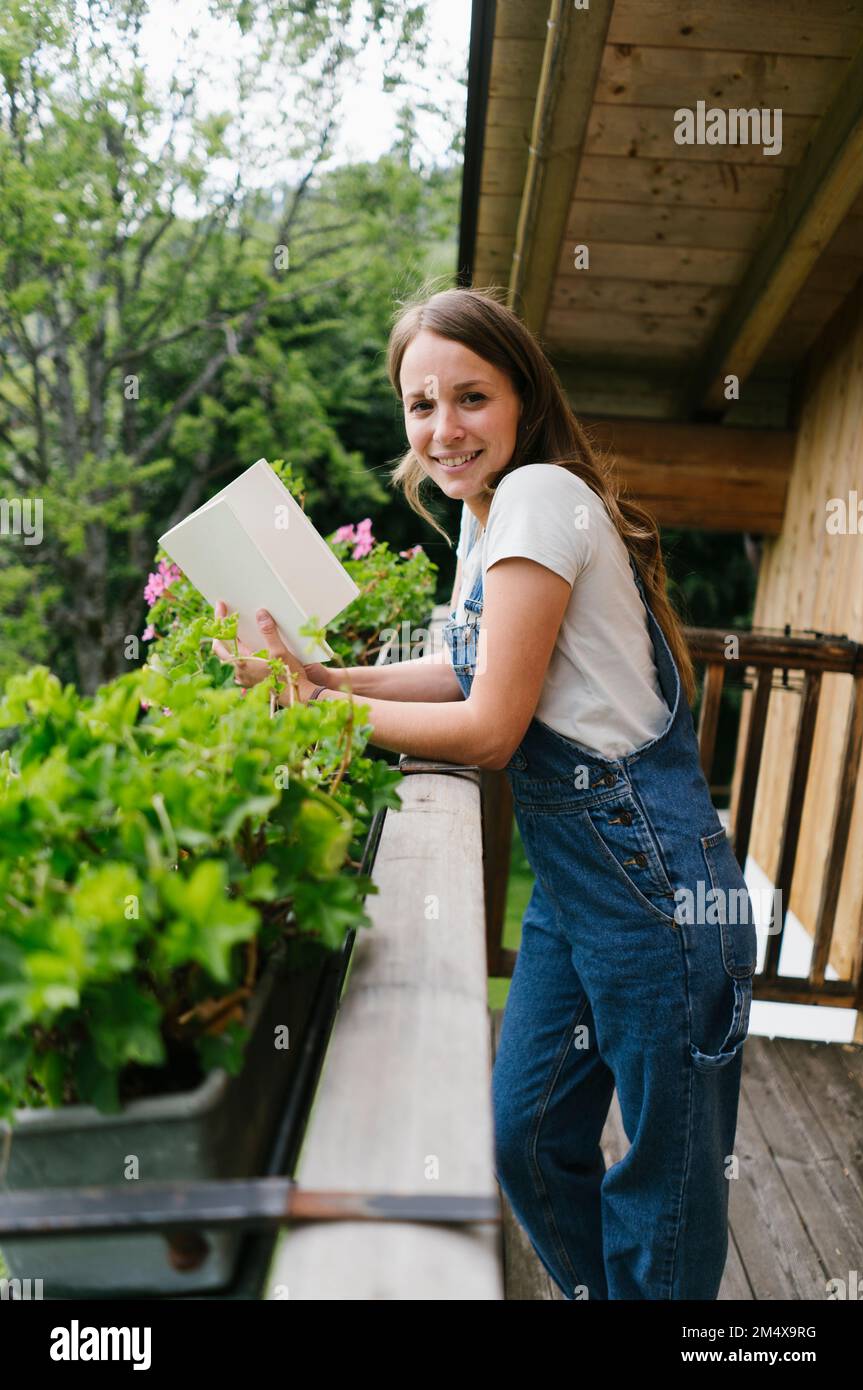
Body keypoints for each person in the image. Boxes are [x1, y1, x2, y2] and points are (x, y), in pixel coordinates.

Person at [213, 284, 758, 1301]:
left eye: (469, 397)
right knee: (524, 1134)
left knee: (663, 1192)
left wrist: (315, 716)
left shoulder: (539, 497)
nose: (443, 427)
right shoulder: (484, 515)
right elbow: (467, 671)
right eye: (421, 405)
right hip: (574, 887)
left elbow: (488, 729)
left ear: (521, 394)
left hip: (658, 896)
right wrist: (325, 681)